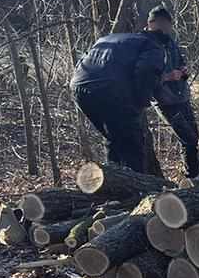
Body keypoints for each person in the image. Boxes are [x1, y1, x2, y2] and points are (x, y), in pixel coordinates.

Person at [70, 31, 165, 173]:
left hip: (79, 87)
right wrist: (142, 101)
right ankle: (138, 188)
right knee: (132, 142)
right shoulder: (153, 46)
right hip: (109, 89)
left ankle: (114, 183)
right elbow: (146, 71)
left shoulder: (109, 39)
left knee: (114, 137)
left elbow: (83, 60)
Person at [145, 5, 199, 181]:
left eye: (168, 26)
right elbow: (146, 77)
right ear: (152, 23)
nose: (166, 29)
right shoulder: (144, 43)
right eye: (163, 26)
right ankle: (193, 178)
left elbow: (181, 62)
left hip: (182, 95)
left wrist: (183, 71)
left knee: (194, 136)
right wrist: (168, 76)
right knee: (188, 138)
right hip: (165, 100)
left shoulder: (170, 41)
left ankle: (196, 176)